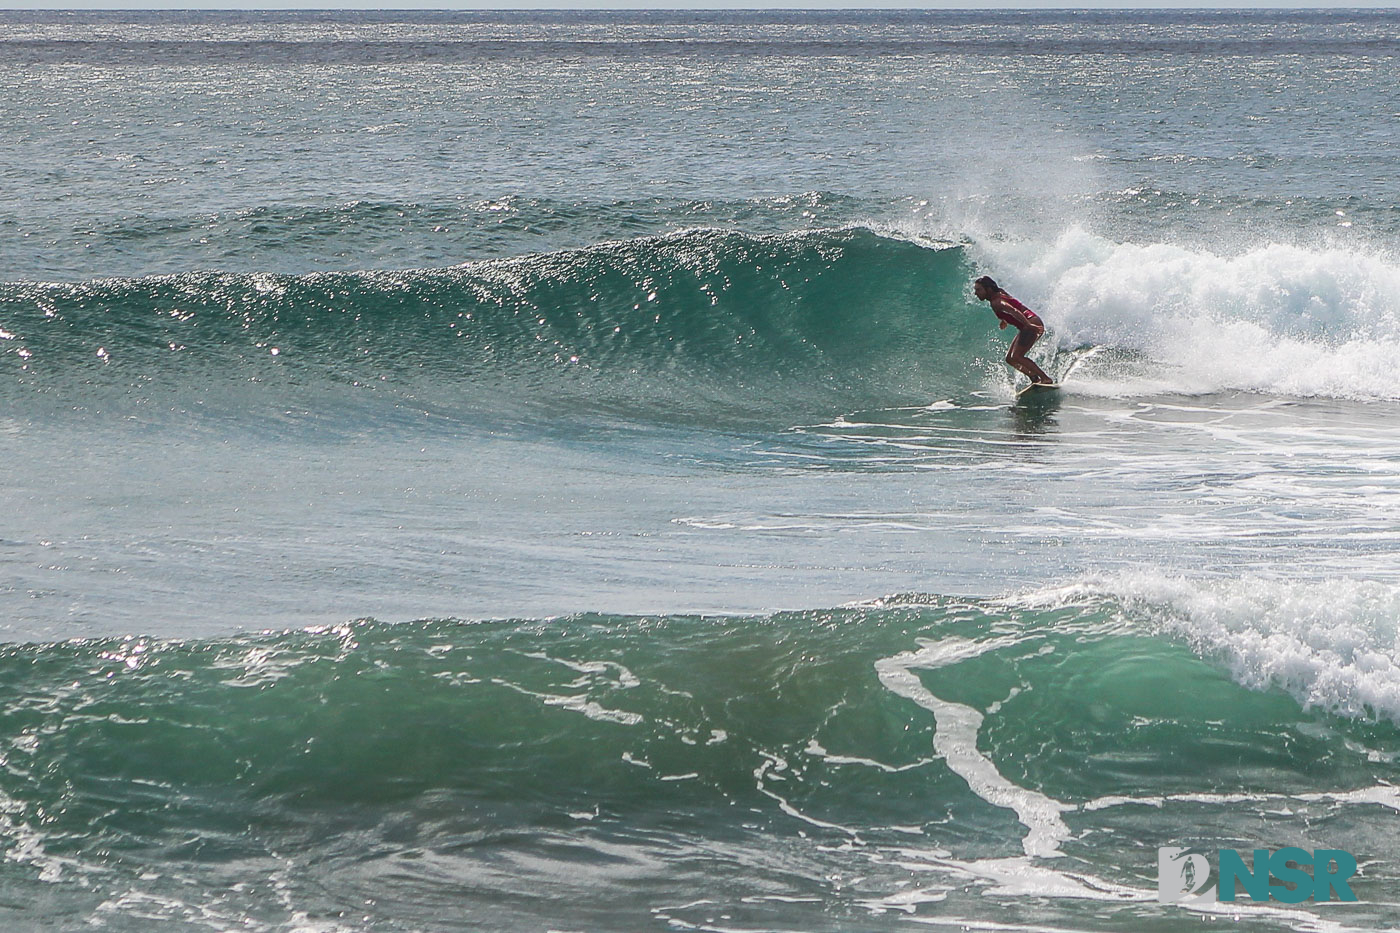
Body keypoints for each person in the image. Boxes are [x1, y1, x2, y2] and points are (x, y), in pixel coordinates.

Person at [973, 275, 1053, 386]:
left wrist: (1029, 325)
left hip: (1030, 323)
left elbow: (1013, 310)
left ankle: (1045, 378)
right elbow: (1011, 305)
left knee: (1017, 357)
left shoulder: (997, 302)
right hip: (1029, 324)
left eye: (978, 290)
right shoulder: (1000, 293)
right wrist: (1004, 319)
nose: (976, 293)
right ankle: (1034, 378)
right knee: (1010, 359)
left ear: (988, 289)